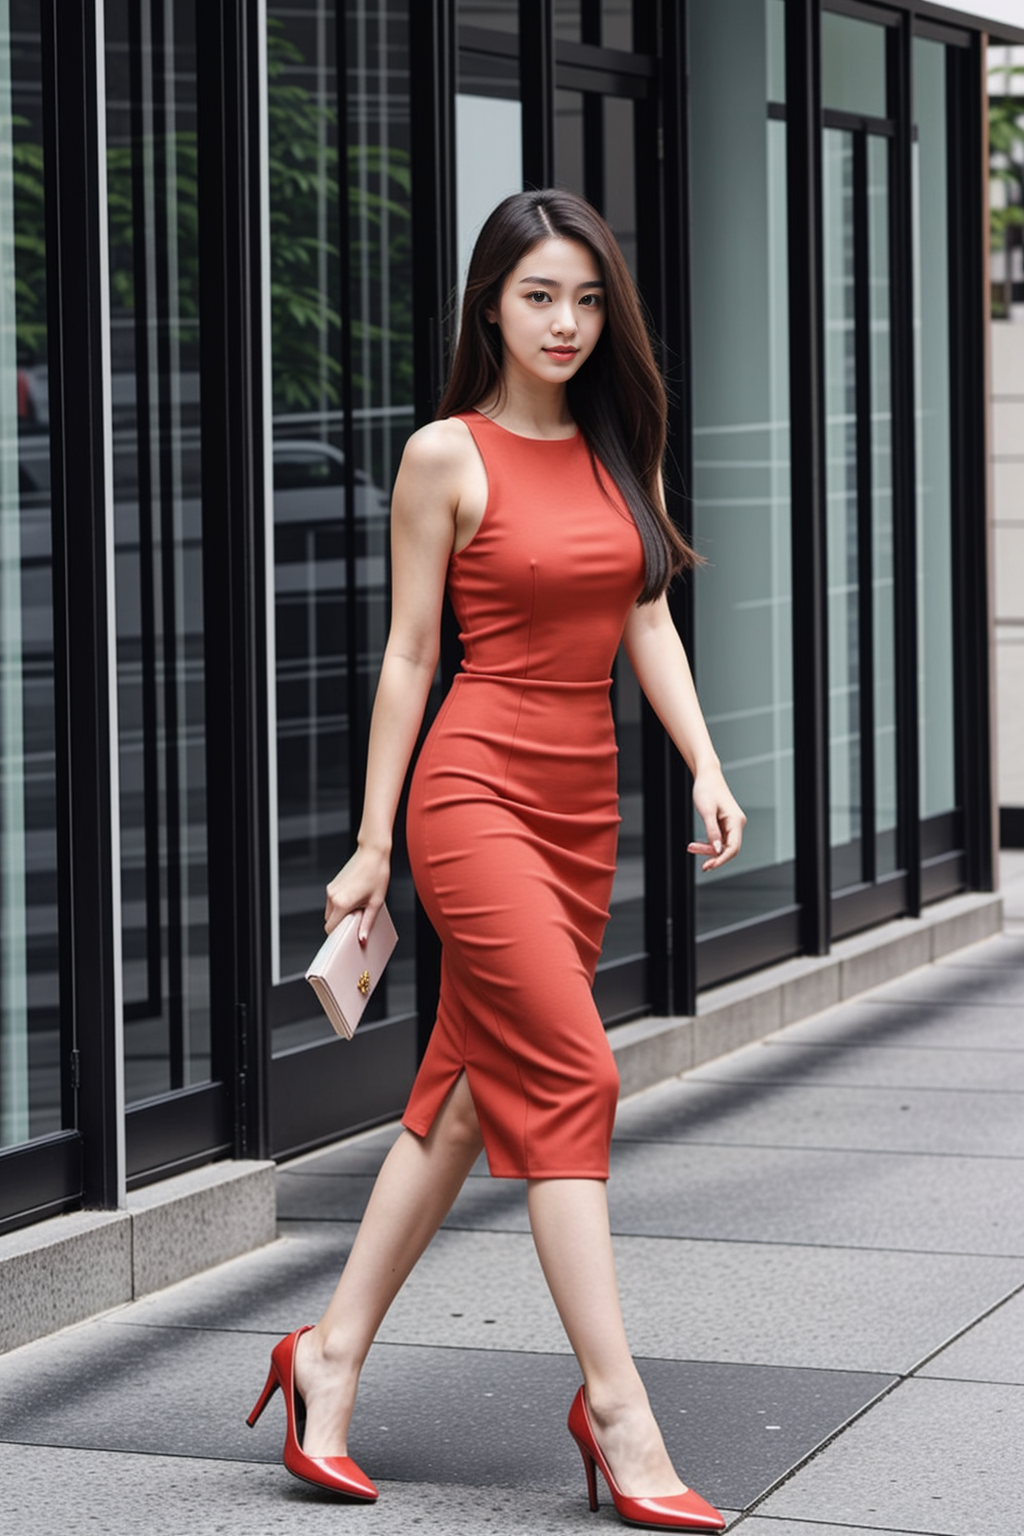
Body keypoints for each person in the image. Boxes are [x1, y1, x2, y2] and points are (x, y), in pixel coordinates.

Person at [247, 189, 745, 1531]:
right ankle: (618, 1412)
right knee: (574, 1068)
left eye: (588, 299)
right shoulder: (444, 455)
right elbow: (412, 655)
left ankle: (325, 1360)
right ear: (491, 306)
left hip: (584, 809)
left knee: (467, 1095)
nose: (568, 322)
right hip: (470, 793)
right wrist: (368, 845)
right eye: (541, 297)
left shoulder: (614, 447)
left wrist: (702, 759)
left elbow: (644, 613)